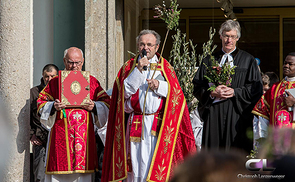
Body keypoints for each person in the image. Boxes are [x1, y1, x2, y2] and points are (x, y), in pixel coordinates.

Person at [102, 29, 196, 182]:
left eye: (149, 45)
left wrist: (160, 85)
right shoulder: (129, 67)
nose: (145, 48)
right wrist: (138, 70)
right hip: (135, 123)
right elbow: (122, 94)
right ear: (137, 46)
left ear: (157, 47)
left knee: (153, 163)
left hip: (157, 125)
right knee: (134, 164)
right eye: (142, 44)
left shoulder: (165, 67)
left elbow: (177, 96)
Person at [37, 47, 111, 182]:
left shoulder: (92, 81)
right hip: (60, 138)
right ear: (64, 61)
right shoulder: (55, 82)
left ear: (83, 62)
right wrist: (53, 106)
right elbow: (41, 103)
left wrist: (94, 107)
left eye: (78, 62)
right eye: (71, 62)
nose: (74, 66)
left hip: (84, 139)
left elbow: (106, 103)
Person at [193, 20, 263, 152]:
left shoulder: (248, 60)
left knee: (235, 152)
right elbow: (197, 86)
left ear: (238, 38)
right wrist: (211, 93)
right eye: (226, 35)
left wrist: (235, 92)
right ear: (220, 36)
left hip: (237, 114)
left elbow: (256, 89)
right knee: (214, 153)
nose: (229, 40)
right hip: (214, 113)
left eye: (232, 36)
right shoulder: (209, 60)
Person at [252, 53, 295, 145]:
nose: (286, 66)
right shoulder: (275, 87)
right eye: (285, 63)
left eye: (290, 64)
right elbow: (262, 116)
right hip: (276, 141)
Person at [30, 64, 59, 182]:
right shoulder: (34, 93)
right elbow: (27, 117)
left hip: (57, 140)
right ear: (43, 76)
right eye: (47, 76)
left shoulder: (60, 92)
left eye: (52, 76)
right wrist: (31, 134)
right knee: (40, 176)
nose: (49, 79)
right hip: (41, 140)